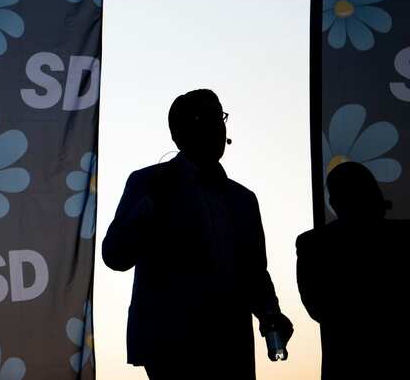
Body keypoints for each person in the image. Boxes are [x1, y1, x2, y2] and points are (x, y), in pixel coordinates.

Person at [102, 89, 293, 379]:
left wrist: (270, 313)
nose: (217, 126)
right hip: (171, 346)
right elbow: (115, 255)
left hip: (230, 345)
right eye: (205, 117)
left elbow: (254, 271)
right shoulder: (148, 182)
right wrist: (150, 204)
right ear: (178, 133)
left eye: (219, 116)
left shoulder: (243, 199)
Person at [296, 161, 410, 379]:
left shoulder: (313, 245)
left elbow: (318, 307)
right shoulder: (402, 239)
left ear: (334, 203)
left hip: (344, 363)